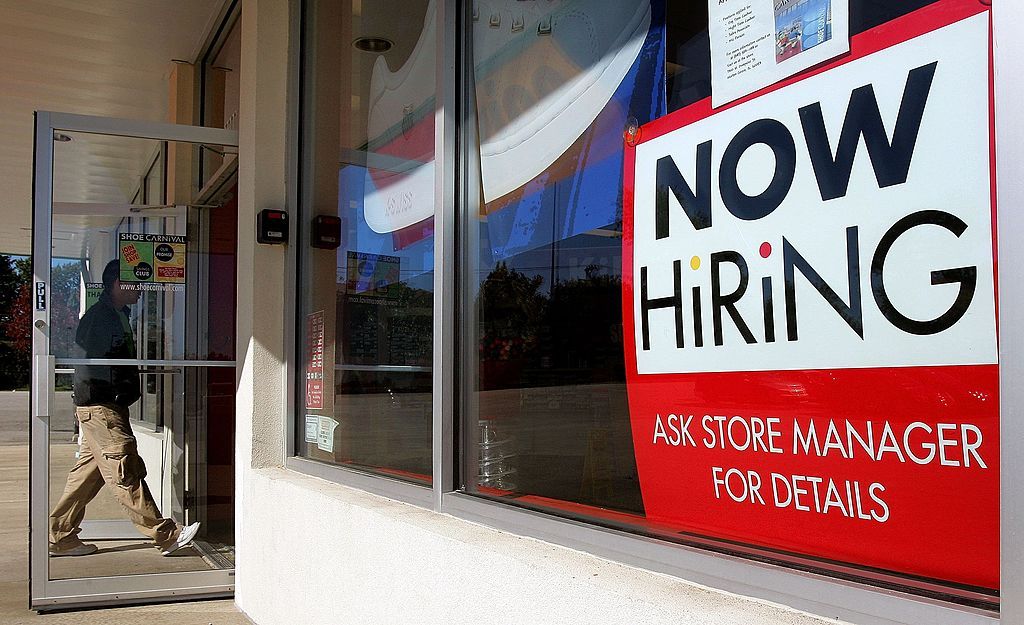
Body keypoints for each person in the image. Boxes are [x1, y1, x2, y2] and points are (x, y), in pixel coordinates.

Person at [48, 259, 199, 557]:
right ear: (118, 284)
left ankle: (60, 536)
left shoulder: (116, 315)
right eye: (137, 284)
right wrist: (114, 396)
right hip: (102, 408)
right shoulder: (100, 318)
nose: (142, 290)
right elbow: (92, 365)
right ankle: (166, 535)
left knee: (87, 477)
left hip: (101, 408)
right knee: (125, 470)